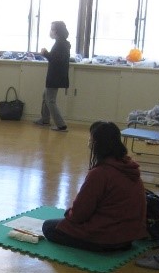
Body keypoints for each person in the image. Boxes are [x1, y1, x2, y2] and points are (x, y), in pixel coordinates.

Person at [41, 121, 148, 251]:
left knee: (48, 227)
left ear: (98, 144)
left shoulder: (100, 173)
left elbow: (79, 214)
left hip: (108, 237)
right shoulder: (128, 165)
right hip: (130, 236)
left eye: (91, 140)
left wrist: (69, 213)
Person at [34, 21, 71, 132]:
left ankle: (61, 125)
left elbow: (55, 60)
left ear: (57, 31)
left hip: (55, 75)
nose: (51, 31)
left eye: (52, 29)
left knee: (50, 100)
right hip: (56, 75)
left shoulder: (60, 44)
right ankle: (45, 119)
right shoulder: (61, 42)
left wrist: (45, 53)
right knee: (45, 95)